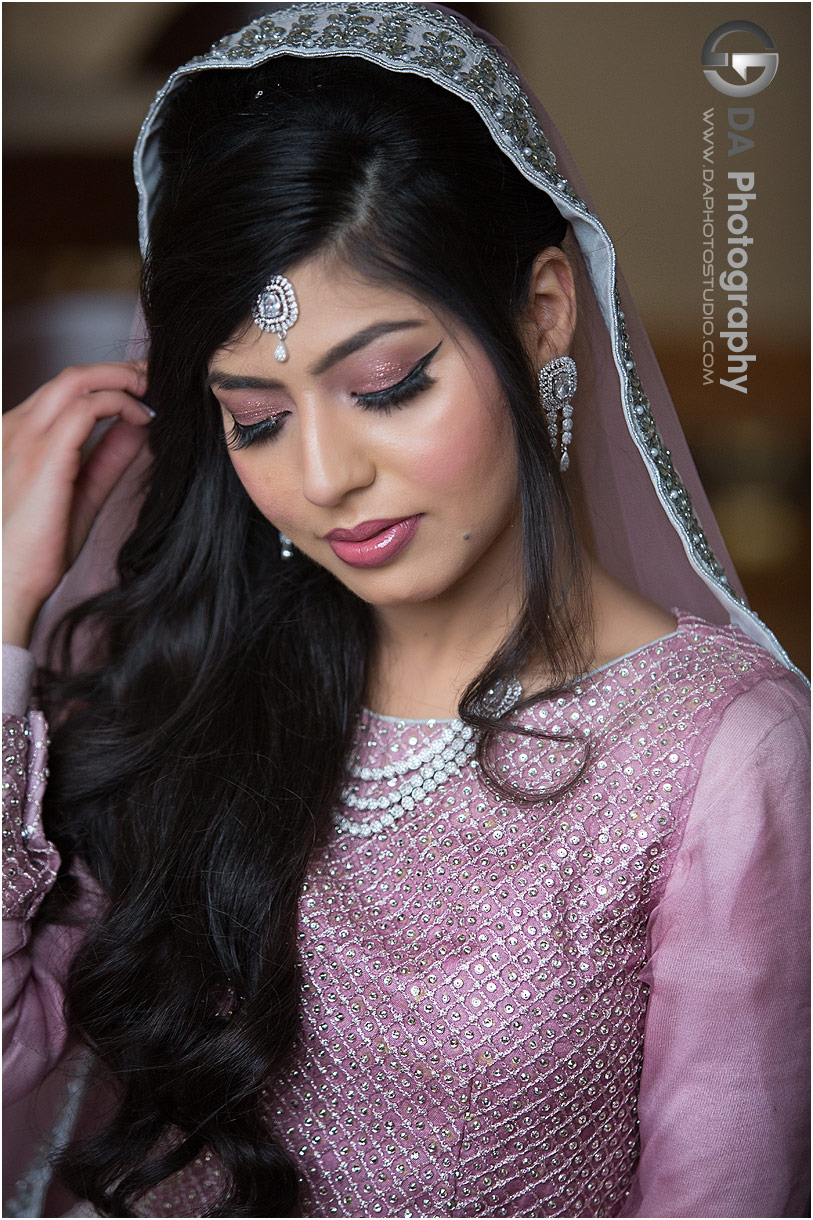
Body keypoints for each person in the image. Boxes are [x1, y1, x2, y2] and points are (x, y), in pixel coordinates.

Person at [3, 4, 809, 1217]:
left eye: (386, 385)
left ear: (544, 311)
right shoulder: (185, 682)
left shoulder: (723, 758)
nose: (323, 475)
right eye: (257, 418)